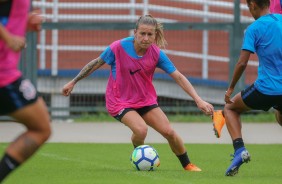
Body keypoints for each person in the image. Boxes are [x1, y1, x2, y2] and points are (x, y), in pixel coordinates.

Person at [62, 14, 214, 171]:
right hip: (119, 101)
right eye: (142, 33)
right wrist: (74, 81)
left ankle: (187, 165)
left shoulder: (156, 53)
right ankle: (140, 155)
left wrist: (198, 100)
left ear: (155, 35)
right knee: (141, 130)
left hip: (145, 100)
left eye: (150, 34)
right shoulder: (118, 47)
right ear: (135, 33)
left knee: (169, 132)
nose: (146, 38)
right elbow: (95, 63)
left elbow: (179, 77)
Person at [214, 0, 282, 176]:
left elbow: (242, 62)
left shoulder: (253, 28)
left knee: (230, 108)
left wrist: (230, 89)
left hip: (266, 89)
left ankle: (239, 150)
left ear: (252, 5)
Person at [0, 0, 51, 182]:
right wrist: (8, 37)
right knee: (40, 128)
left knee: (41, 128)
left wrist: (24, 22)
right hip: (3, 76)